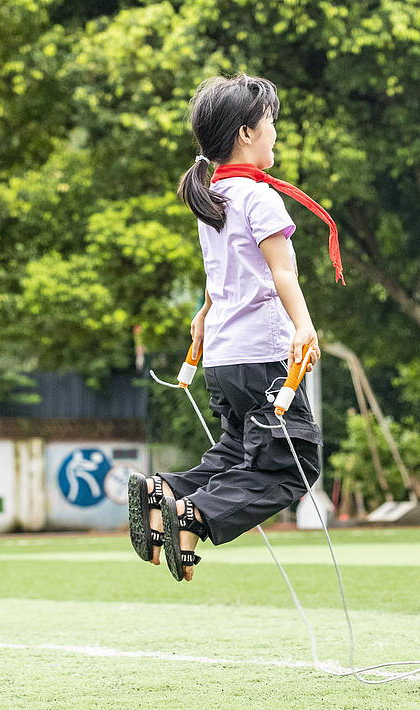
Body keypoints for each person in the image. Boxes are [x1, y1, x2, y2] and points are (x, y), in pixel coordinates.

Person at [127, 74, 342, 582]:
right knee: (293, 465)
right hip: (263, 353)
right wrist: (304, 327)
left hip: (225, 359)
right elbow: (280, 272)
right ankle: (194, 515)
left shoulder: (214, 194)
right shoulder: (257, 197)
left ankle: (168, 492)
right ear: (246, 132)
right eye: (270, 122)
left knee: (236, 452)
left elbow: (220, 273)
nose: (274, 132)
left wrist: (204, 315)